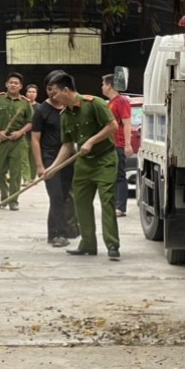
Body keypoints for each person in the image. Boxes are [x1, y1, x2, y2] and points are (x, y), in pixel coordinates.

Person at [46, 71, 120, 261]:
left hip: (104, 160)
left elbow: (112, 126)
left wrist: (91, 141)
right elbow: (67, 145)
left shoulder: (94, 103)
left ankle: (112, 244)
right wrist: (53, 168)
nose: (52, 97)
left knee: (107, 201)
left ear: (66, 90)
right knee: (81, 204)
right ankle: (87, 244)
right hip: (84, 164)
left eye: (54, 92)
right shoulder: (65, 115)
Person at [31, 73, 77, 247]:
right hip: (49, 157)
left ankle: (53, 233)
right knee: (56, 195)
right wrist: (40, 165)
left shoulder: (69, 108)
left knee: (64, 196)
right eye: (48, 89)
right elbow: (35, 140)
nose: (51, 93)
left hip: (68, 158)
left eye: (54, 89)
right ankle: (60, 234)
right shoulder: (41, 111)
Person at [0, 72, 33, 209]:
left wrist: (20, 132)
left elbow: (31, 122)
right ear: (6, 84)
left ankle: (13, 201)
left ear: (20, 86)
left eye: (16, 83)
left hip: (18, 142)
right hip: (1, 141)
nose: (13, 85)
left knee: (16, 172)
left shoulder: (25, 103)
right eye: (11, 82)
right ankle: (4, 194)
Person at [101, 74, 134, 217]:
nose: (102, 87)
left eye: (103, 84)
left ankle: (121, 207)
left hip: (119, 144)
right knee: (111, 176)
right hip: (109, 144)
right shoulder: (109, 103)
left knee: (120, 175)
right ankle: (114, 204)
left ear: (109, 85)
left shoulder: (121, 101)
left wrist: (127, 144)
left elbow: (127, 123)